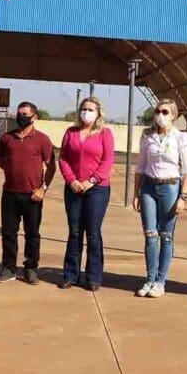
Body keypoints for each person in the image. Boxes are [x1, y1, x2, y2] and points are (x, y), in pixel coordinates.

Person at [132, 99, 187, 298]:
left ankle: (160, 280)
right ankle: (149, 279)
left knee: (166, 235)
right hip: (149, 186)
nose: (161, 115)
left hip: (170, 187)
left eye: (165, 112)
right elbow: (140, 166)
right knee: (150, 234)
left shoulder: (180, 138)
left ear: (173, 115)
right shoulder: (147, 136)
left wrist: (182, 196)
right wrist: (136, 193)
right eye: (158, 111)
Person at [0, 102, 56, 285]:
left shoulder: (42, 140)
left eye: (25, 114)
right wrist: (12, 170)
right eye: (19, 113)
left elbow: (51, 166)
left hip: (32, 196)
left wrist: (42, 188)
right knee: (9, 233)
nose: (21, 117)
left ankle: (30, 268)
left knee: (32, 234)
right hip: (10, 194)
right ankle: (9, 268)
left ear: (34, 117)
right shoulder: (7, 138)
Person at [58, 97, 115, 291]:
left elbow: (107, 162)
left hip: (97, 189)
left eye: (91, 109)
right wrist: (72, 180)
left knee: (93, 232)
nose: (86, 112)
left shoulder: (105, 134)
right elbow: (63, 158)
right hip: (73, 188)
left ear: (98, 113)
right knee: (74, 231)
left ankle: (94, 276)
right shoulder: (71, 132)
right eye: (84, 109)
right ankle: (70, 275)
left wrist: (90, 181)